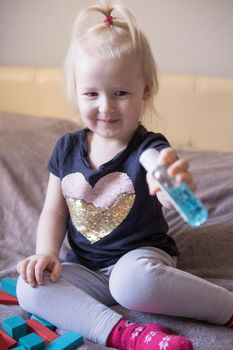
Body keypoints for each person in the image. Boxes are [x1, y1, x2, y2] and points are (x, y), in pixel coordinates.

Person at [17, 1, 233, 349]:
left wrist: (175, 185)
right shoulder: (66, 149)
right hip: (85, 268)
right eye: (92, 93)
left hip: (140, 263)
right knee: (29, 286)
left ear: (145, 91)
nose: (105, 106)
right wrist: (46, 253)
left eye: (120, 93)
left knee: (129, 284)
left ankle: (226, 308)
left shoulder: (150, 149)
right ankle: (127, 333)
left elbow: (169, 184)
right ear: (76, 90)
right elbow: (54, 211)